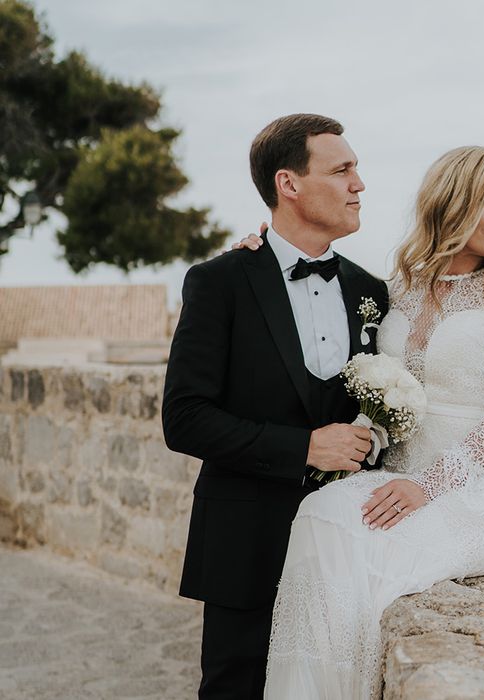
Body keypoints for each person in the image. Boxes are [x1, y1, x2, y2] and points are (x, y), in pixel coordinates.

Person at [236, 146, 484, 698]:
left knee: (356, 548)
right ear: (451, 201)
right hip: (394, 474)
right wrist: (255, 256)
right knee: (319, 516)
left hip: (474, 489)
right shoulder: (399, 285)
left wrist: (427, 486)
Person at [162, 113, 388, 699]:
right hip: (244, 541)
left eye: (356, 170)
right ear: (289, 184)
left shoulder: (372, 293)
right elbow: (184, 417)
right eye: (341, 170)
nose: (359, 184)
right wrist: (305, 447)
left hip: (345, 548)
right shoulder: (220, 282)